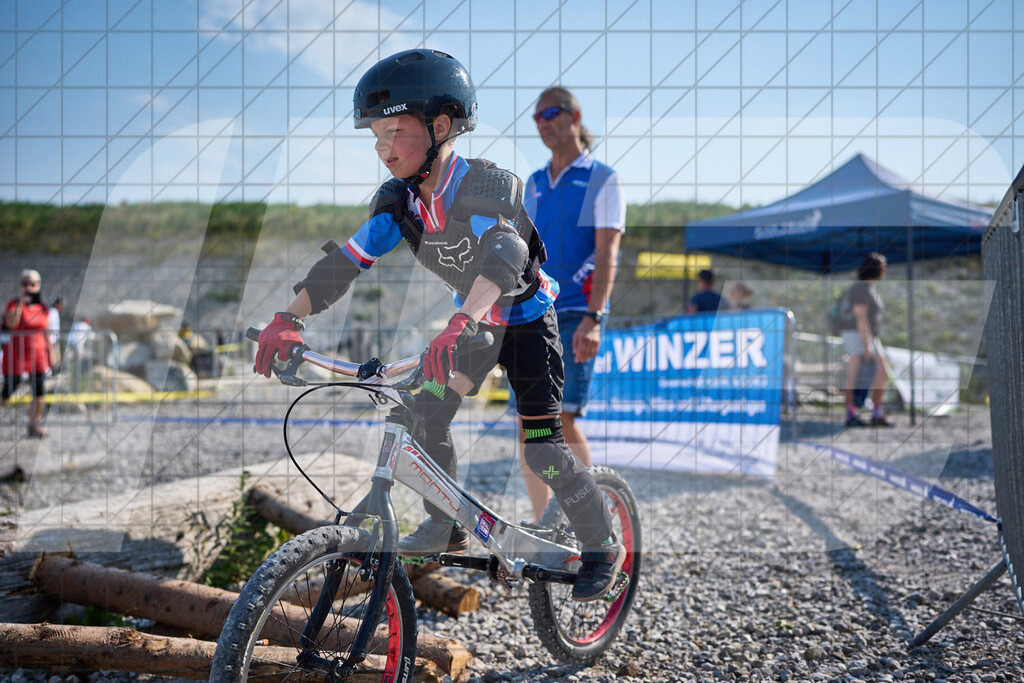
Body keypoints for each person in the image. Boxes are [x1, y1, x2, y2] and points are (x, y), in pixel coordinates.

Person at [253, 49, 623, 602]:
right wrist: (288, 318)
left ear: (441, 126)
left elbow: (503, 252)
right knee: (422, 416)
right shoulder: (398, 203)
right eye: (375, 136)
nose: (382, 149)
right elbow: (345, 263)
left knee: (543, 446)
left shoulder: (489, 184)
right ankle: (446, 521)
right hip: (469, 325)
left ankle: (603, 546)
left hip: (523, 320)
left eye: (395, 133)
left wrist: (461, 320)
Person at [517, 86, 625, 523]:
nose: (543, 122)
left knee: (559, 417)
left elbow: (606, 254)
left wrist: (595, 318)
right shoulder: (535, 183)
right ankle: (545, 527)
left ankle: (591, 518)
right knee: (529, 423)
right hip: (531, 311)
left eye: (551, 113)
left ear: (575, 116)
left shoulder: (602, 178)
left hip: (578, 309)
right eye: (537, 117)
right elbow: (520, 251)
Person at [840, 252, 892, 427]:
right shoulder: (861, 288)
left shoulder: (868, 287)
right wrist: (867, 343)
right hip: (857, 335)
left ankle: (876, 412)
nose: (885, 270)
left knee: (882, 372)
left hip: (866, 335)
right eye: (883, 266)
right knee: (855, 375)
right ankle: (851, 413)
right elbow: (860, 316)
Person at [2, 269, 53, 438]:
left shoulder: (43, 307)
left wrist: (51, 355)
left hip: (37, 356)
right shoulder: (13, 304)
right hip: (16, 356)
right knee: (7, 391)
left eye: (32, 284)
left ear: (38, 286)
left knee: (39, 394)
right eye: (25, 283)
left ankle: (34, 425)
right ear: (20, 286)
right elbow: (11, 323)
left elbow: (47, 332)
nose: (29, 287)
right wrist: (19, 304)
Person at [47, 296, 63, 372]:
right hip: (52, 339)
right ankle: (52, 371)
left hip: (53, 338)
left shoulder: (52, 312)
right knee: (52, 356)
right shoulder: (53, 312)